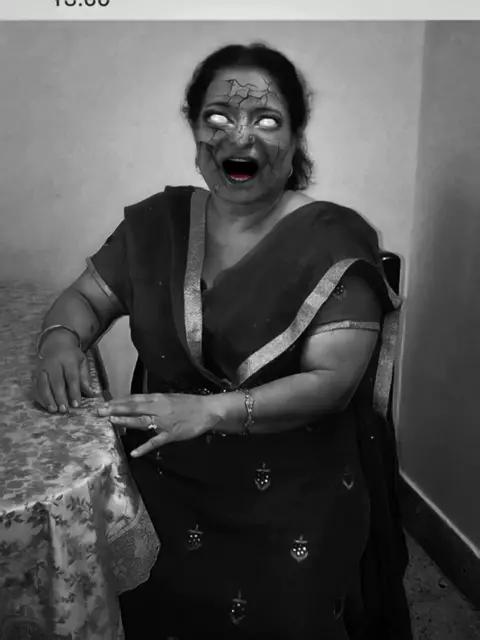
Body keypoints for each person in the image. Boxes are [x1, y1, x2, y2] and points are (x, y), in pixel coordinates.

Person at [33, 42, 412, 639]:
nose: (241, 136)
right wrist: (60, 339)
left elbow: (332, 384)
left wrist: (209, 412)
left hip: (290, 481)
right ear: (194, 130)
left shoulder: (333, 239)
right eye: (218, 117)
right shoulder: (159, 224)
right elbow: (85, 298)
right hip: (164, 466)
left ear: (296, 137)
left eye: (266, 119)